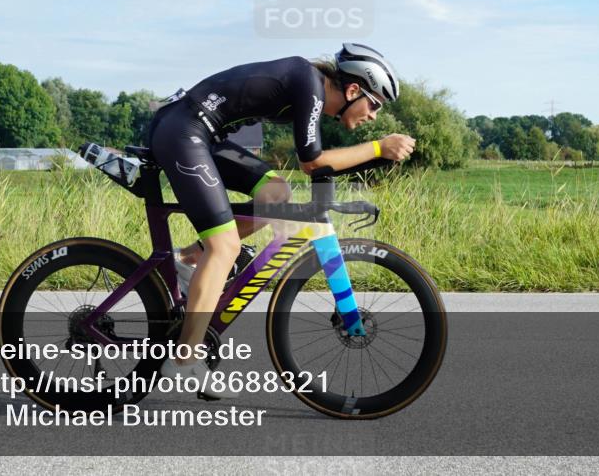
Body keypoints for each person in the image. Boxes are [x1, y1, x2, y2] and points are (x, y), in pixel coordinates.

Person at [148, 43, 415, 399]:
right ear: (353, 90)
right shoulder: (309, 84)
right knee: (225, 247)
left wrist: (360, 170)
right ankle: (184, 361)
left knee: (275, 195)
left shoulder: (311, 90)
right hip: (183, 130)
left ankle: (187, 260)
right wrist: (379, 148)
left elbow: (319, 167)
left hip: (202, 134)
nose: (374, 116)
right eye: (375, 104)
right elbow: (313, 161)